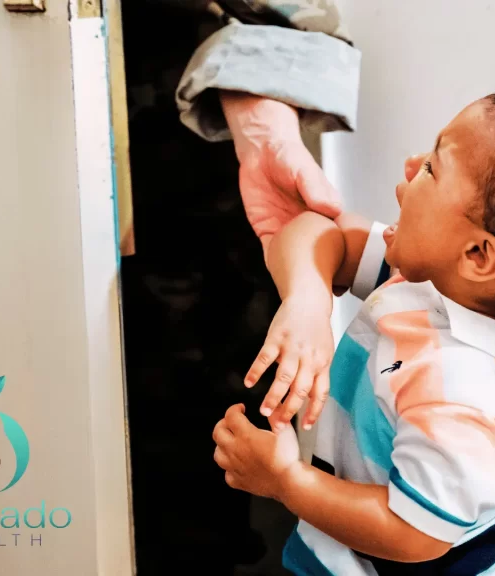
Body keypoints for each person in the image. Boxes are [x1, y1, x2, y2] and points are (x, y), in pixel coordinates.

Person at [212, 80, 495, 574]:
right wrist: (307, 301)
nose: (412, 164)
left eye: (433, 167)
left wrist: (285, 480)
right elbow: (314, 231)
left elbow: (413, 535)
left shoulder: (459, 392)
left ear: (478, 255)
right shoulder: (428, 281)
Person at [119, 1, 359, 573]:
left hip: (199, 169)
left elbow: (301, 18)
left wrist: (258, 125)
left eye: (434, 169)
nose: (411, 167)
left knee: (203, 402)